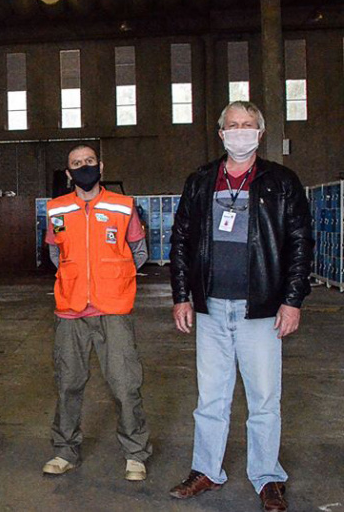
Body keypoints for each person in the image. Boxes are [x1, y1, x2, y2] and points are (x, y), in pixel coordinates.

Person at [168, 101, 312, 512]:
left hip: (261, 309)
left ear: (260, 133)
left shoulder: (281, 182)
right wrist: (182, 295)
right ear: (221, 133)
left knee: (264, 398)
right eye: (232, 125)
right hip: (211, 306)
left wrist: (292, 301)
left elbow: (300, 243)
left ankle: (267, 476)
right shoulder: (200, 181)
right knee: (210, 397)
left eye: (247, 125)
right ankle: (207, 469)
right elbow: (181, 240)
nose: (240, 131)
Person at [42, 144, 153, 481]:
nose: (84, 167)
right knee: (68, 384)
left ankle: (135, 454)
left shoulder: (123, 206)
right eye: (77, 163)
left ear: (100, 167)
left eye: (89, 161)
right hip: (70, 310)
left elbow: (139, 251)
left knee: (125, 384)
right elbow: (55, 254)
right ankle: (64, 450)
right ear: (68, 173)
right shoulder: (57, 209)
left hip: (113, 308)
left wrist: (114, 280)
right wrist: (76, 280)